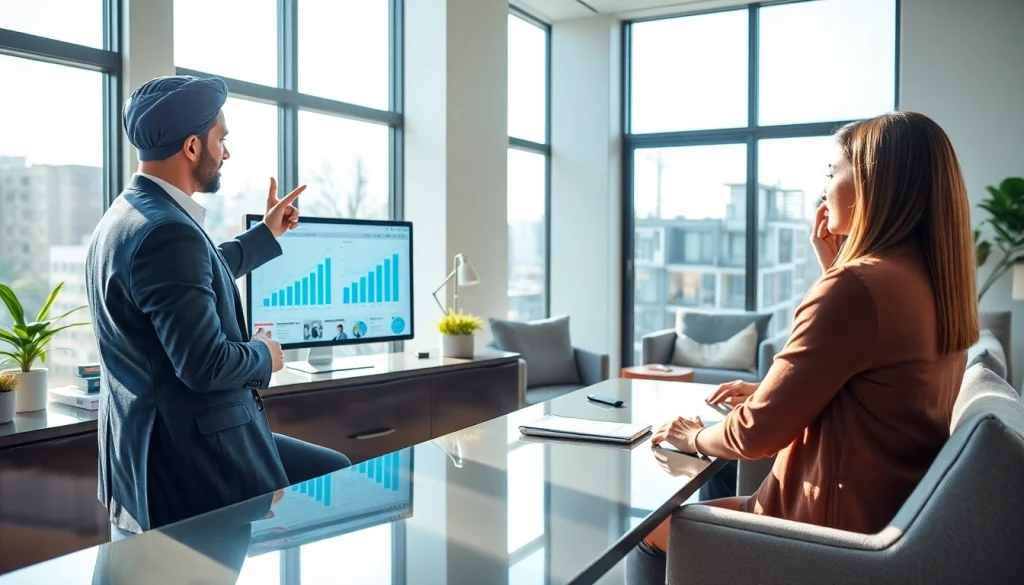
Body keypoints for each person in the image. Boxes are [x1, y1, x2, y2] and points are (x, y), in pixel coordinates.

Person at [627, 111, 979, 583]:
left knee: (652, 531)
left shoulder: (856, 288)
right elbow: (870, 387)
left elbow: (751, 437)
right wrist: (833, 272)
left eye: (832, 173)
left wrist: (691, 435)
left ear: (875, 183)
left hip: (818, 532)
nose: (823, 189)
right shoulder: (932, 284)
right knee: (713, 480)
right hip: (878, 519)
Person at [86, 75, 351, 540]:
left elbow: (191, 281)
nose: (226, 152)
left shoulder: (126, 216)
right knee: (337, 478)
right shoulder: (169, 232)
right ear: (192, 147)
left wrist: (265, 235)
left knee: (333, 469)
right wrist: (264, 354)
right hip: (192, 462)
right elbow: (204, 363)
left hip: (144, 457)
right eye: (221, 139)